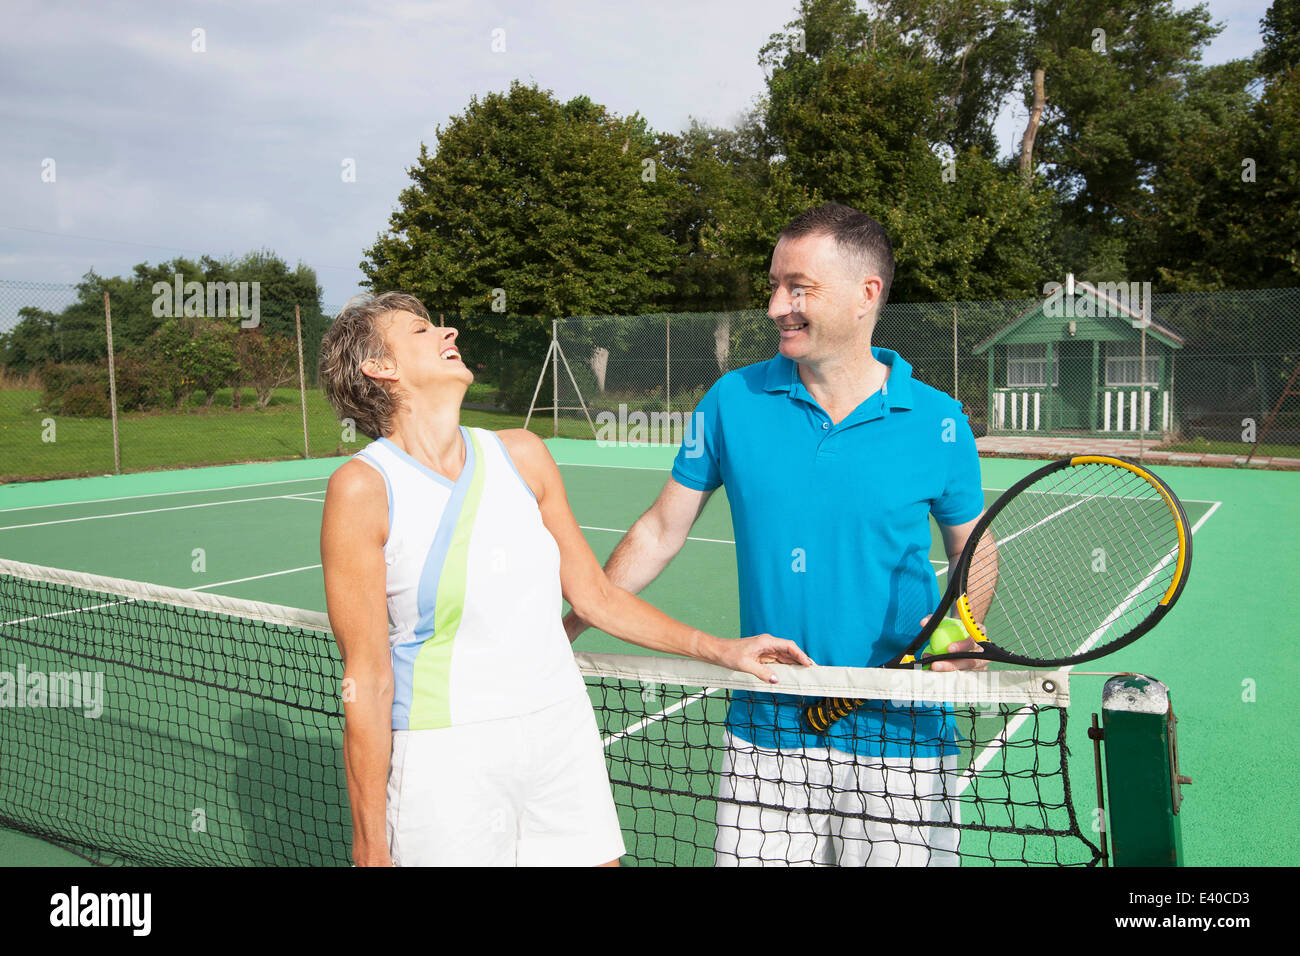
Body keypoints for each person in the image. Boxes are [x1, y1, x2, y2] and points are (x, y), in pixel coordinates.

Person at [317, 291, 811, 867]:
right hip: (445, 753)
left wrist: (721, 648)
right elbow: (368, 680)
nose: (448, 333)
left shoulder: (522, 453)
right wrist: (371, 844)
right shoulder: (362, 489)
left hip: (560, 729)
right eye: (422, 331)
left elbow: (596, 597)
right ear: (380, 367)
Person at [564, 202, 988, 866]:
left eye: (799, 287)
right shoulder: (732, 400)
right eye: (773, 286)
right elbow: (659, 529)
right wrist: (572, 622)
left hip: (902, 742)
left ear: (865, 295)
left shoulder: (938, 419)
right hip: (769, 734)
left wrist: (960, 629)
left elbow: (975, 548)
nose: (775, 306)